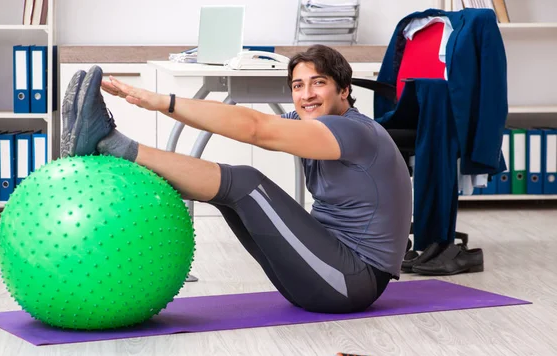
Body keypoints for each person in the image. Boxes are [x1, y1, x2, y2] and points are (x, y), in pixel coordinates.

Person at [61, 44, 412, 314]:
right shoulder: (313, 122)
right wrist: (146, 101)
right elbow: (232, 119)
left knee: (245, 183)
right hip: (323, 274)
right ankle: (107, 142)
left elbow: (257, 130)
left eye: (319, 83)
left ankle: (114, 145)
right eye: (298, 85)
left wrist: (157, 101)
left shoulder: (355, 132)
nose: (306, 95)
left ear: (344, 91)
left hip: (351, 282)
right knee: (227, 192)